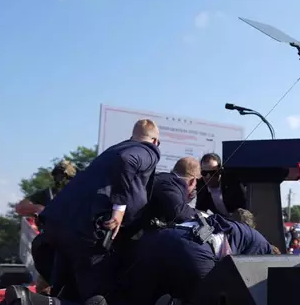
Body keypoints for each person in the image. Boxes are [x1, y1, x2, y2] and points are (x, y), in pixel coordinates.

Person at [36, 119, 161, 303]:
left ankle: (26, 300)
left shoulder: (113, 150)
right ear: (156, 141)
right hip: (85, 233)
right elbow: (128, 160)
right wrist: (119, 208)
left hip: (58, 225)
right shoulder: (147, 151)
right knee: (99, 296)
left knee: (65, 292)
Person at [124, 212, 279, 304]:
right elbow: (246, 285)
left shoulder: (243, 235)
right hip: (195, 248)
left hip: (161, 238)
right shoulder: (263, 248)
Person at [14, 160, 77, 295]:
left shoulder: (81, 193)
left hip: (73, 245)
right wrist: (39, 208)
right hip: (50, 244)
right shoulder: (47, 194)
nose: (61, 179)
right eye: (58, 175)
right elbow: (20, 207)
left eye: (65, 176)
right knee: (45, 288)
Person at [147, 156, 202, 224]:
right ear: (193, 181)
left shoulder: (165, 179)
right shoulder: (170, 186)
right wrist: (202, 215)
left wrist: (185, 198)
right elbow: (179, 214)